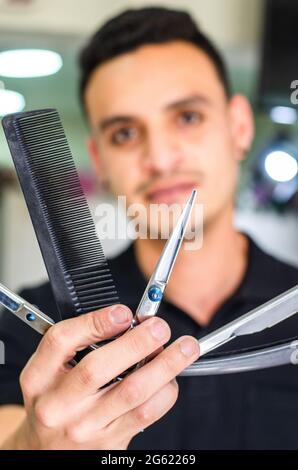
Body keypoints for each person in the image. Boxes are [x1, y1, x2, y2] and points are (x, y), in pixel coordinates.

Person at [0, 7, 297, 450]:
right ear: (99, 160)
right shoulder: (31, 331)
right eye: (124, 133)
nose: (159, 157)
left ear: (239, 127)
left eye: (187, 117)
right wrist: (30, 444)